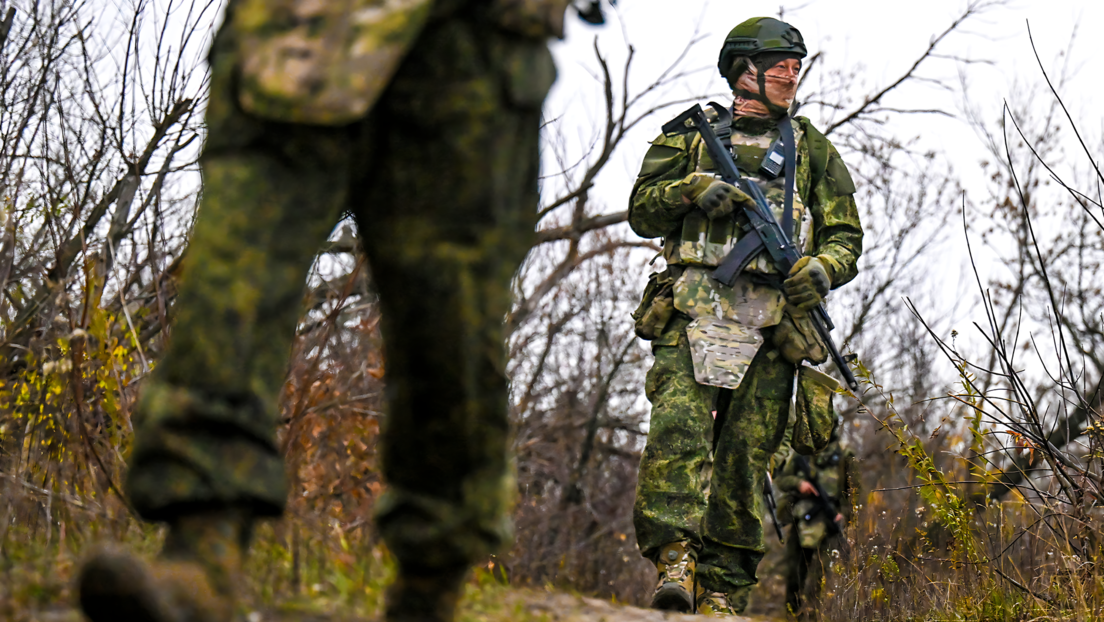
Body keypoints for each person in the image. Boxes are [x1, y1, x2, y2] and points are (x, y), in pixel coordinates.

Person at [76, 1, 576, 621]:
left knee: (451, 324)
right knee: (233, 275)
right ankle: (202, 558)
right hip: (299, 29)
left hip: (474, 44)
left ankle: (431, 589)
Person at [628, 16, 863, 617]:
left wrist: (823, 270)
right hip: (692, 312)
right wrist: (689, 190)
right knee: (678, 437)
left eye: (795, 66)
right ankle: (675, 560)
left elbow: (844, 236)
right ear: (745, 71)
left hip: (772, 327)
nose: (791, 75)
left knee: (744, 458)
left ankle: (724, 593)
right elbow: (641, 211)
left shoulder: (812, 150)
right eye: (780, 64)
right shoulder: (689, 137)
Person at [774, 424, 856, 619]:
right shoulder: (802, 453)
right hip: (800, 520)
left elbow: (855, 491)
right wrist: (798, 484)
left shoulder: (845, 454)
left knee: (818, 578)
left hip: (829, 524)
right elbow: (781, 480)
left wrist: (845, 515)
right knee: (794, 575)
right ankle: (792, 616)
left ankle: (811, 617)